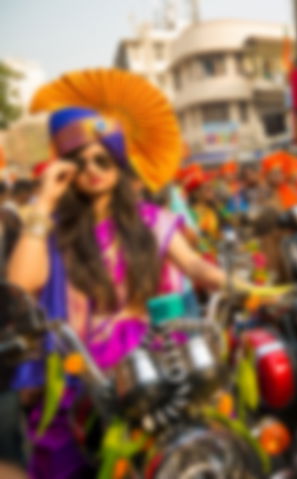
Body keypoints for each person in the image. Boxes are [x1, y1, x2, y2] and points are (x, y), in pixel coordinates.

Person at [6, 69, 274, 479]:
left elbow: (196, 266)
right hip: (89, 375)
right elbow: (21, 285)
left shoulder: (151, 220)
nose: (93, 169)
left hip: (156, 358)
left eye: (103, 158)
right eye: (80, 162)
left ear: (119, 163)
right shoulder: (53, 230)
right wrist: (43, 201)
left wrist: (244, 287)